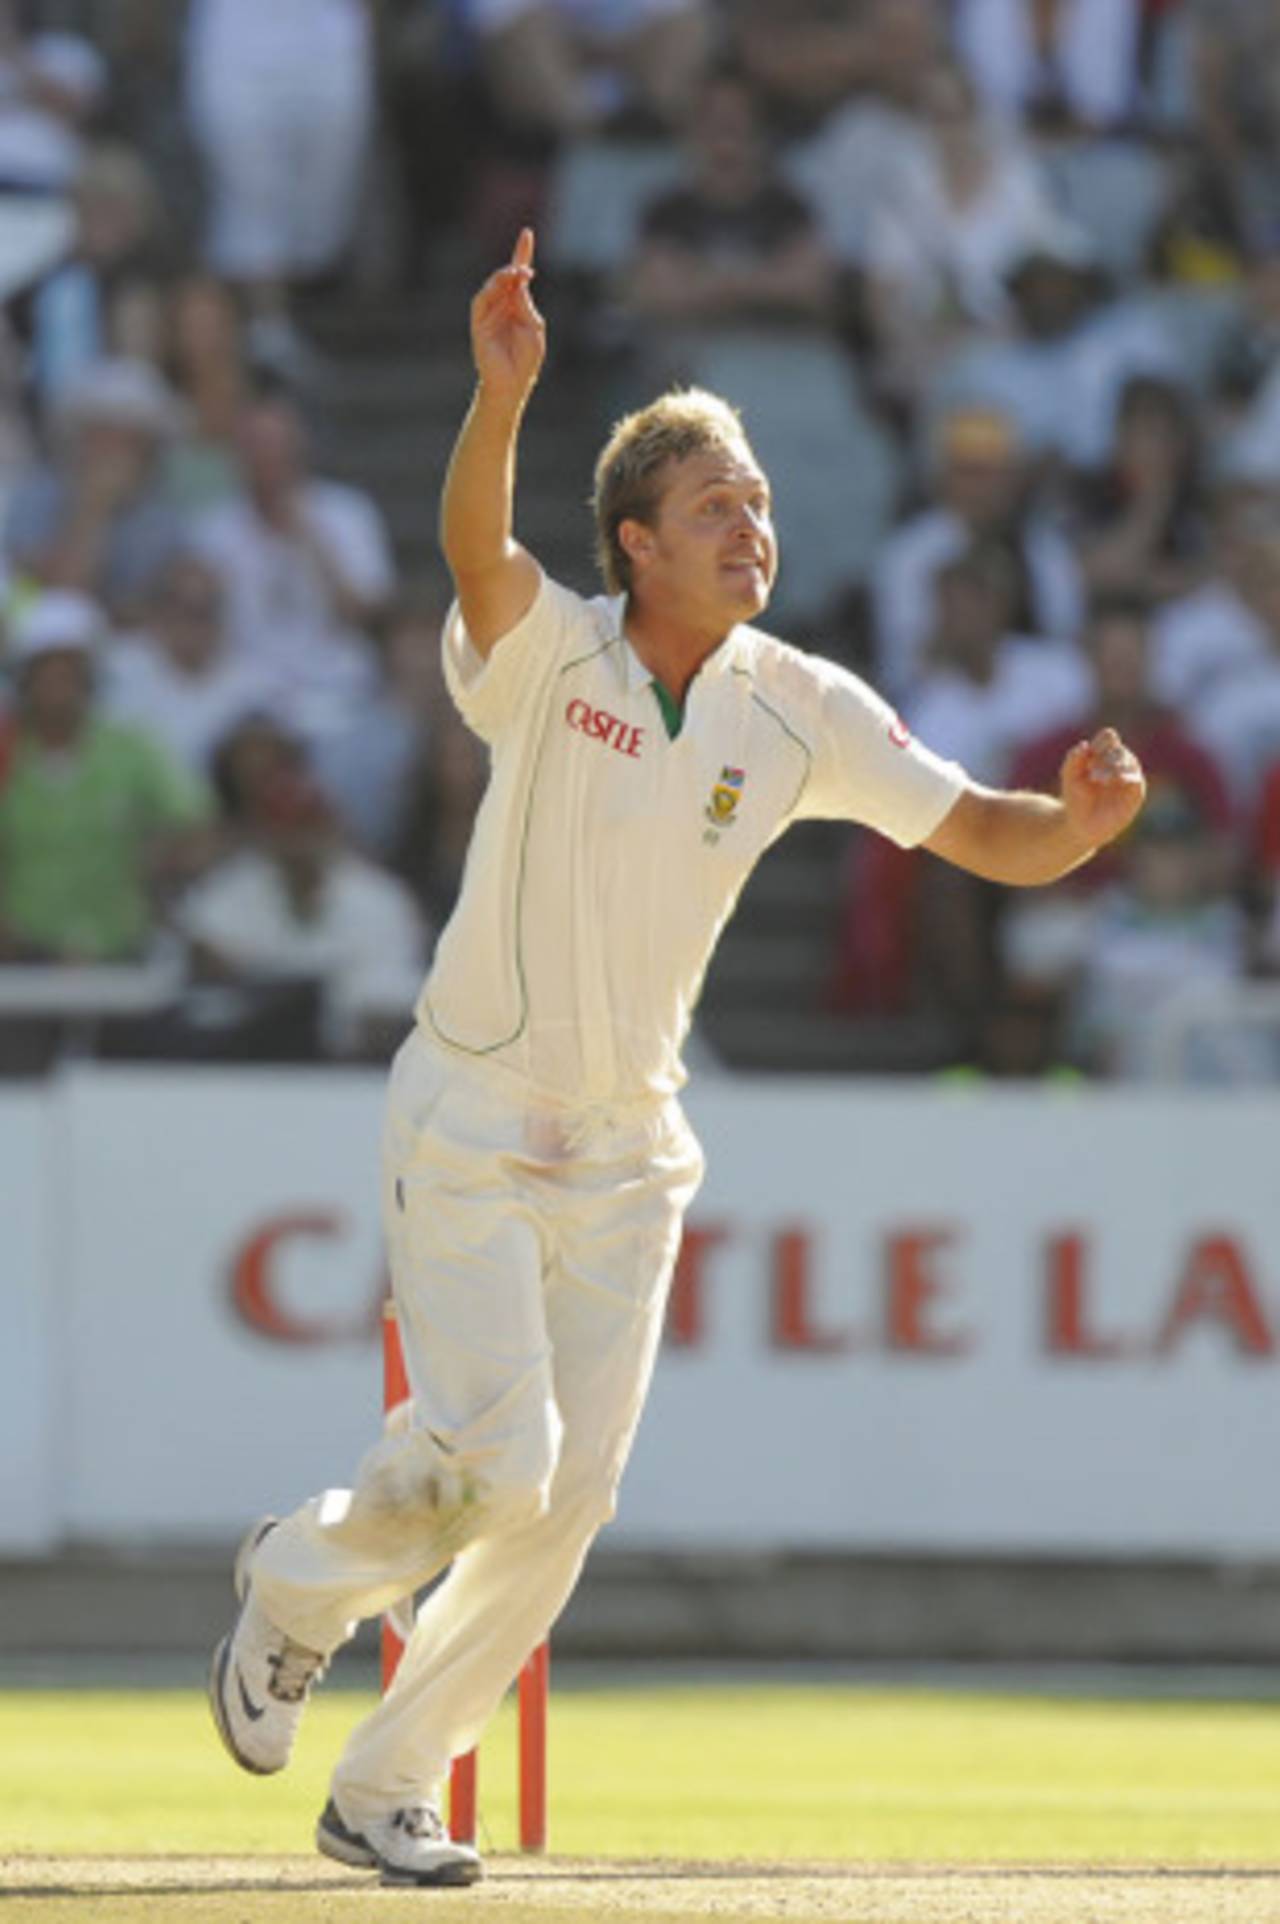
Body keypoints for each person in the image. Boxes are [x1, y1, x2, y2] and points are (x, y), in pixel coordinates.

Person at [207, 230, 1147, 1888]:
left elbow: (980, 828)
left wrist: (1075, 828)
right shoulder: (551, 651)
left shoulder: (801, 706)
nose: (753, 527)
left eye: (762, 502)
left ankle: (385, 1783)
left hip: (634, 1146)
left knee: (561, 1508)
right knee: (507, 1460)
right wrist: (501, 393)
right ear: (636, 542)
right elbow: (473, 549)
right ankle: (296, 1585)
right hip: (477, 1115)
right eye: (717, 506)